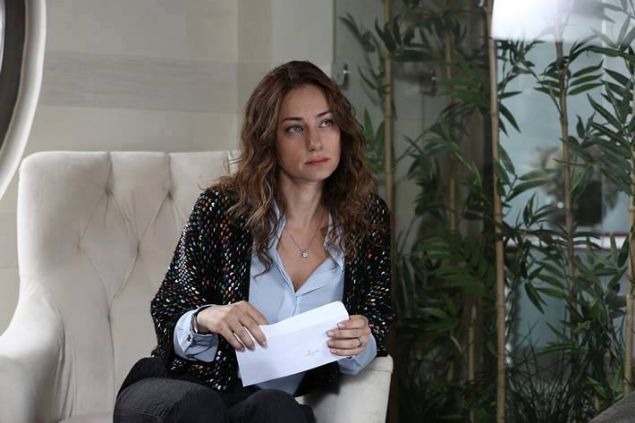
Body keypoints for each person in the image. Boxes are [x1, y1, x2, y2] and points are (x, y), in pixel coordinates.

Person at [114, 60, 394, 423]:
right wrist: (207, 317)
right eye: (295, 128)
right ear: (268, 140)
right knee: (199, 407)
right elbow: (169, 308)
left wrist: (360, 340)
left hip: (262, 404)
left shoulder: (367, 218)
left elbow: (376, 319)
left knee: (277, 410)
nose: (315, 142)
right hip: (180, 387)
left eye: (326, 123)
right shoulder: (223, 208)